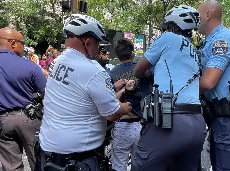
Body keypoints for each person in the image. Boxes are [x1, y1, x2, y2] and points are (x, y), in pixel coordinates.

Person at [38, 14, 132, 171]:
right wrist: (125, 107)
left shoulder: (57, 62)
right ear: (88, 42)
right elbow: (112, 113)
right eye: (98, 44)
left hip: (47, 152)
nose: (98, 50)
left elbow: (78, 94)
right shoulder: (94, 70)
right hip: (77, 160)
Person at [131, 5, 206, 171]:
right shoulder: (195, 50)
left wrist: (149, 74)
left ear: (172, 25)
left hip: (171, 119)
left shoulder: (167, 38)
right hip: (197, 122)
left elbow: (138, 70)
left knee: (141, 165)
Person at [197, 1, 230, 171]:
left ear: (208, 15)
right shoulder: (210, 41)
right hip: (218, 117)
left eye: (198, 14)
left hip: (227, 117)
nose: (196, 19)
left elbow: (208, 82)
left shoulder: (223, 40)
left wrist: (178, 88)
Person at [0, 27, 47, 171]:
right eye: (22, 43)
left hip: (2, 121)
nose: (24, 47)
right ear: (13, 43)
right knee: (38, 161)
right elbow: (47, 92)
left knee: (11, 166)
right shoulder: (29, 66)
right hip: (28, 118)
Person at [109, 39, 153, 171]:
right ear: (132, 53)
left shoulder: (112, 73)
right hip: (142, 125)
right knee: (139, 165)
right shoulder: (143, 70)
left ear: (117, 55)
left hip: (121, 125)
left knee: (119, 165)